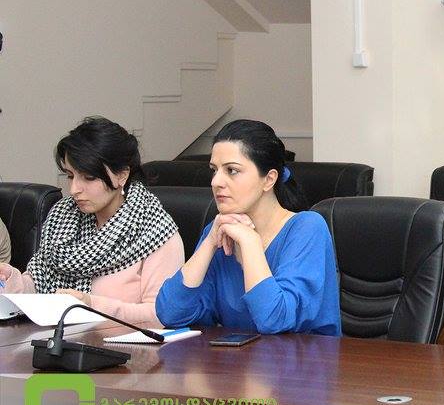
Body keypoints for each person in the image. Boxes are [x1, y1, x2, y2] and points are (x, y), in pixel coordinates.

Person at [156, 119, 341, 336]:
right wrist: (209, 243)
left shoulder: (307, 227)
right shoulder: (219, 231)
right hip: (238, 356)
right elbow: (170, 314)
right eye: (214, 170)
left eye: (232, 170)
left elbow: (275, 320)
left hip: (303, 357)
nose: (216, 181)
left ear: (269, 179)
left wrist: (251, 243)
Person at [0, 117, 184, 324]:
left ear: (122, 175)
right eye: (70, 176)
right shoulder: (62, 216)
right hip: (55, 339)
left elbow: (159, 315)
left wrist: (90, 305)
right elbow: (39, 285)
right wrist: (11, 279)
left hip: (121, 344)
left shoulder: (156, 232)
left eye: (88, 178)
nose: (74, 189)